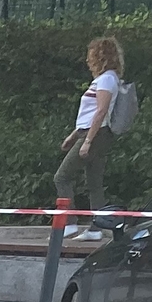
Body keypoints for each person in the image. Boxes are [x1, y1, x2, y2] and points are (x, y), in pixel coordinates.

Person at [54, 36, 125, 220]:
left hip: (96, 133)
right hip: (94, 132)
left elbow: (100, 111)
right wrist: (73, 135)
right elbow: (90, 114)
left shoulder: (106, 80)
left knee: (62, 177)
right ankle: (97, 227)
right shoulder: (107, 79)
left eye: (91, 56)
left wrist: (87, 141)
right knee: (94, 182)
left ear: (101, 57)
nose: (88, 60)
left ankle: (68, 222)